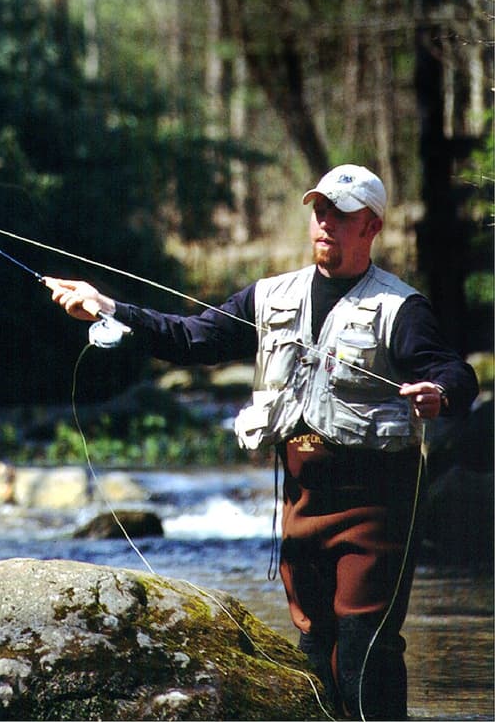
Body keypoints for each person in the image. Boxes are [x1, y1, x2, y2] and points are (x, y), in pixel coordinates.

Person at [44, 164, 478, 720]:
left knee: (365, 650)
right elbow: (191, 337)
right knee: (314, 648)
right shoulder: (270, 295)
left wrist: (439, 393)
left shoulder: (402, 308)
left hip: (377, 503)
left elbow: (454, 373)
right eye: (320, 211)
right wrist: (109, 309)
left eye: (341, 215)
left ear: (371, 226)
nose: (326, 223)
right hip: (302, 499)